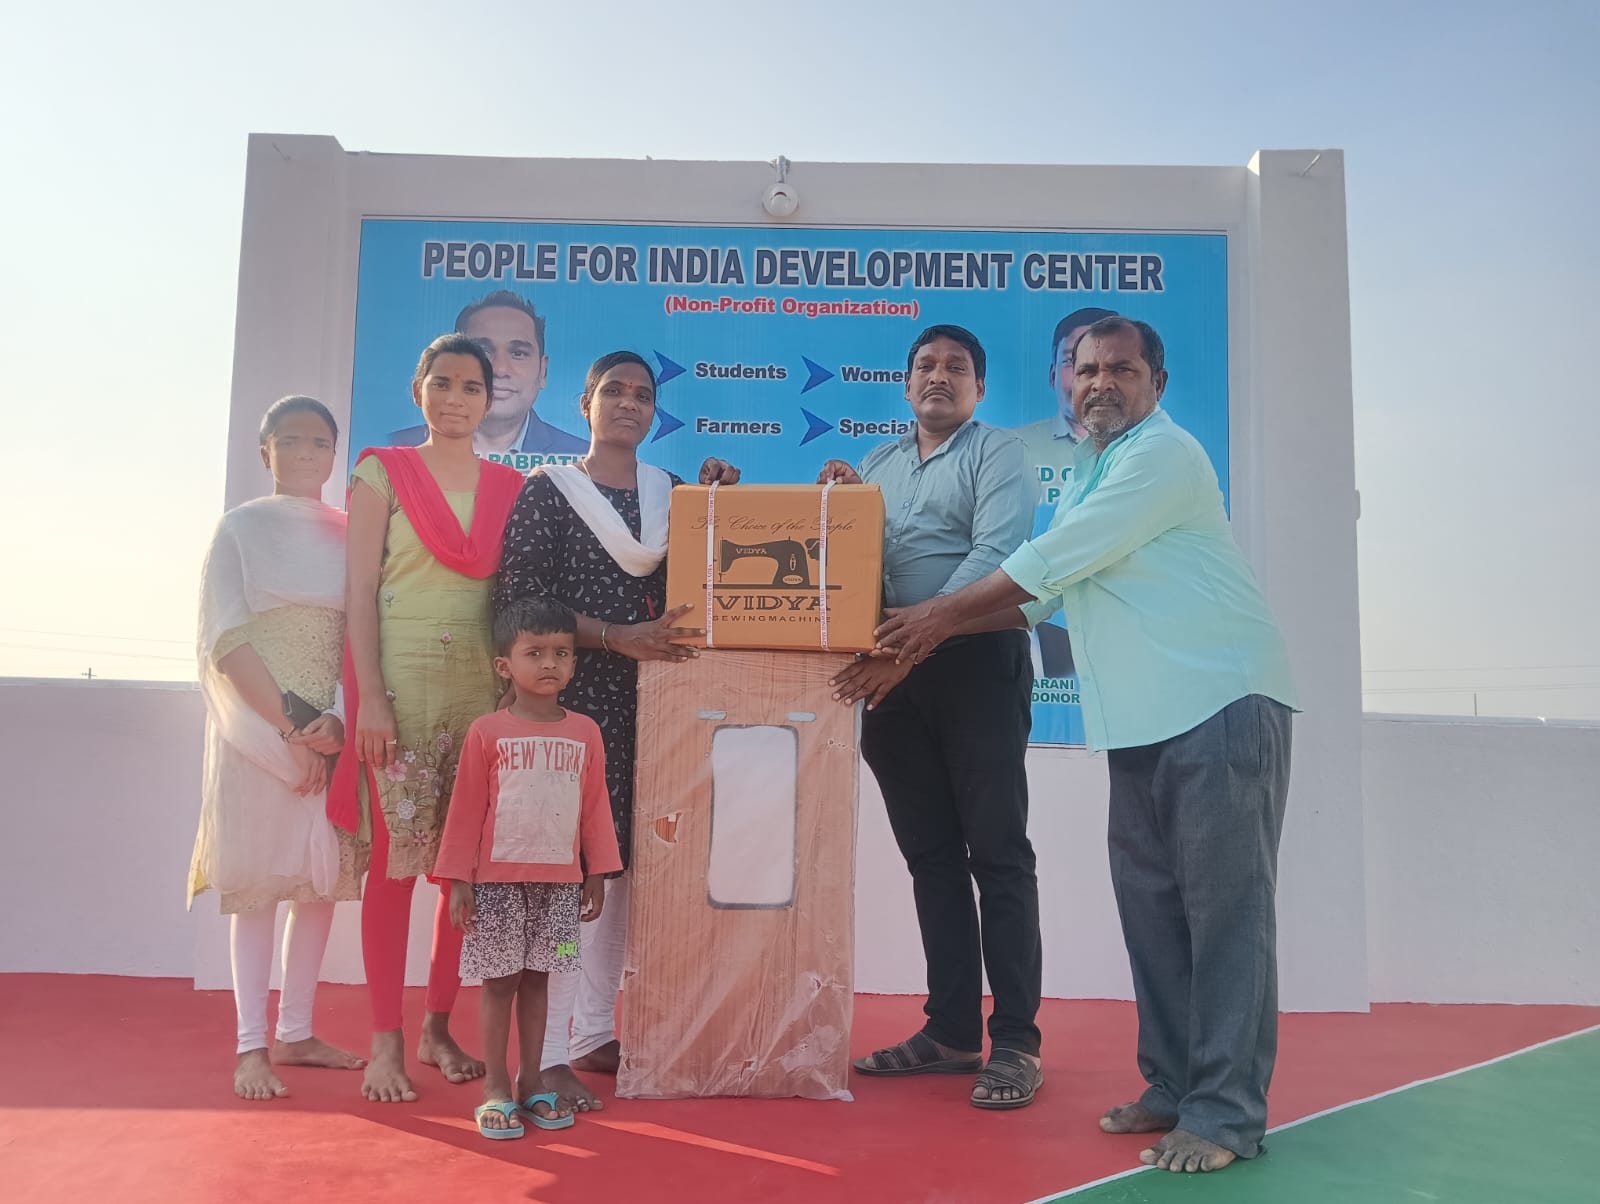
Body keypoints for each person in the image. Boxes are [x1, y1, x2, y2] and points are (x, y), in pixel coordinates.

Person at [875, 316, 1297, 1173]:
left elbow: (1048, 560)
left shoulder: (1161, 456)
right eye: (1088, 369)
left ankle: (1224, 1116)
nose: (1101, 382)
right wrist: (906, 636)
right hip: (1140, 721)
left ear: (1157, 384)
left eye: (1122, 370)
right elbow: (1037, 600)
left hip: (1219, 702)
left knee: (1225, 921)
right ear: (1068, 382)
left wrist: (927, 621)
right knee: (1154, 918)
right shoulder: (1093, 473)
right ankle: (1173, 1086)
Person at [494, 350, 739, 1112]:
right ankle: (550, 1053)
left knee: (622, 870)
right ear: (585, 404)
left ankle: (596, 1030)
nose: (629, 403)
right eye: (613, 391)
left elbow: (712, 582)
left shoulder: (672, 497)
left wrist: (720, 503)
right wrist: (614, 636)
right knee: (567, 882)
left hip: (655, 709)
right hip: (570, 711)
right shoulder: (549, 491)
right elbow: (519, 606)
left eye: (643, 394)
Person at [822, 324, 1045, 1110]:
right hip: (889, 672)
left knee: (999, 856)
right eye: (926, 365)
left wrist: (912, 644)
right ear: (907, 383)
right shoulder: (879, 464)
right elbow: (858, 567)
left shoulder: (1000, 453)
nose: (939, 376)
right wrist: (839, 509)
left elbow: (996, 559)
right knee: (932, 859)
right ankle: (950, 1031)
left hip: (975, 664)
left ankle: (1015, 1041)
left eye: (956, 367)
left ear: (979, 387)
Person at [331, 332, 528, 1102]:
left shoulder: (509, 487)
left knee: (461, 871)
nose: (455, 399)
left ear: (490, 400)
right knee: (393, 867)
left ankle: (437, 1028)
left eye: (471, 387)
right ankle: (385, 1041)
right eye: (441, 382)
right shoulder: (382, 471)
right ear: (418, 387)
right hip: (401, 693)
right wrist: (371, 698)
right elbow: (358, 594)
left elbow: (509, 602)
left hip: (479, 691)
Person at [189, 395, 366, 1100]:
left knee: (318, 884)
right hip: (260, 734)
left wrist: (338, 722)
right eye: (290, 440)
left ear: (333, 455)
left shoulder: (351, 533)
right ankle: (250, 1046)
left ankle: (296, 1031)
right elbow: (227, 639)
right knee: (259, 890)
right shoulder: (239, 529)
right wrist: (293, 731)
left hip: (333, 730)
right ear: (264, 451)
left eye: (319, 442)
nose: (305, 453)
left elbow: (362, 636)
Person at [436, 597, 623, 1139]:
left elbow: (595, 808)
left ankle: (532, 1080)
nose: (549, 663)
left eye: (561, 653)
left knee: (543, 977)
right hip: (497, 887)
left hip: (561, 888)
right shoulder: (487, 732)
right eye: (534, 652)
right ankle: (496, 1086)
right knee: (500, 982)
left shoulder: (585, 732)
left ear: (573, 664)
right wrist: (458, 880)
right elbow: (466, 810)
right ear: (505, 665)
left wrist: (597, 872)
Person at [1013, 306, 1117, 679]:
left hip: (1144, 655)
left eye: (1111, 366)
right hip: (1040, 644)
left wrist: (949, 618)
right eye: (1078, 364)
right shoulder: (1011, 449)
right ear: (1053, 374)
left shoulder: (1156, 452)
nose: (1094, 381)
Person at [390, 291, 588, 458]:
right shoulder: (394, 449)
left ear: (543, 371)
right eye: (484, 351)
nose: (499, 369)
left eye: (518, 353)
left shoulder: (580, 458)